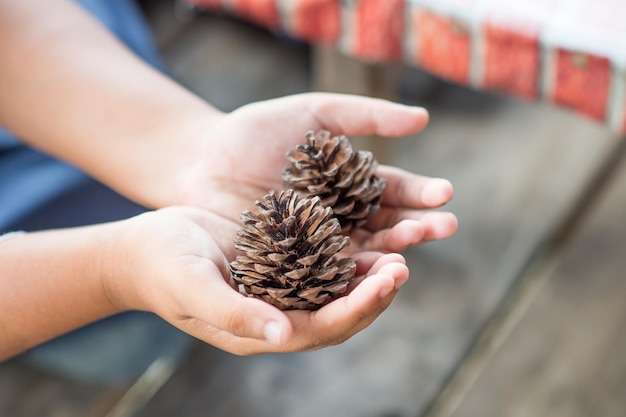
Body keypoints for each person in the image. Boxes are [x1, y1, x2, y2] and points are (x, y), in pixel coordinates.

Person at [0, 0, 458, 382]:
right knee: (133, 349)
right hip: (31, 268)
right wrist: (110, 272)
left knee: (197, 309)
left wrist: (189, 146)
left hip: (94, 91)